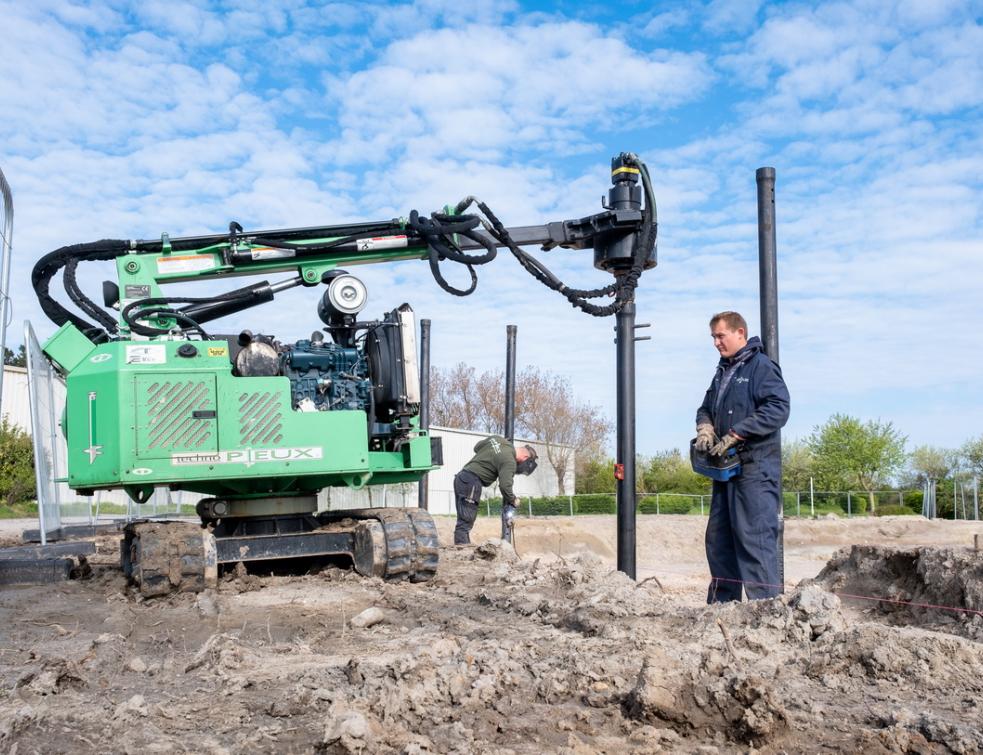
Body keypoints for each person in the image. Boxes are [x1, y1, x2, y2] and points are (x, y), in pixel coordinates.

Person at [695, 311, 790, 603]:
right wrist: (706, 427)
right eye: (713, 337)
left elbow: (778, 407)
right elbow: (705, 407)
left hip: (755, 471)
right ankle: (723, 608)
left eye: (720, 336)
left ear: (740, 333)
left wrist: (738, 433)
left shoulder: (760, 367)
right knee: (719, 539)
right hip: (726, 470)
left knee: (755, 538)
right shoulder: (724, 371)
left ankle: (767, 611)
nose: (716, 342)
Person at [453, 436, 538, 545]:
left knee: (463, 520)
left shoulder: (498, 439)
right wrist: (513, 500)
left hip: (461, 478)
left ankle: (461, 548)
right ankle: (461, 553)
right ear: (525, 457)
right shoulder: (509, 461)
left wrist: (494, 454)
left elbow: (477, 447)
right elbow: (505, 486)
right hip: (472, 482)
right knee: (465, 522)